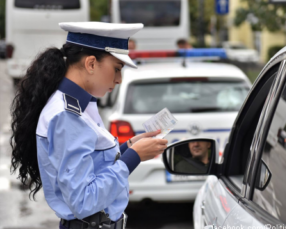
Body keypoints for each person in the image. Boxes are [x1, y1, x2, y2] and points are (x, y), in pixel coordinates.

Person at [10, 22, 169, 229]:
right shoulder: (67, 115)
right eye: (117, 69)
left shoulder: (80, 104)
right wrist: (133, 157)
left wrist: (128, 147)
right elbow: (84, 201)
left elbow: (92, 165)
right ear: (91, 64)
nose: (119, 79)